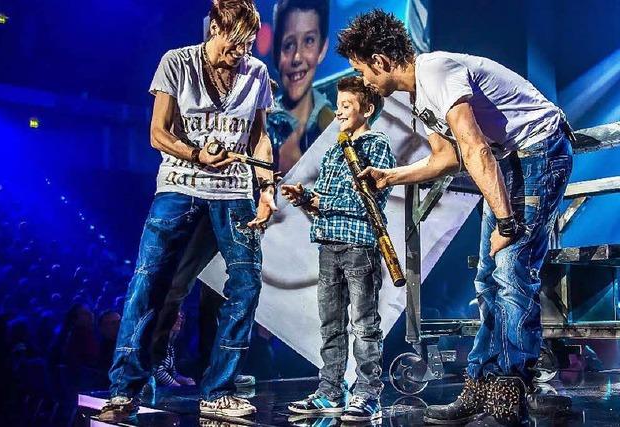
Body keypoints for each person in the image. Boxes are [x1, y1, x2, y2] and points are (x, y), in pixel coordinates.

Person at [336, 10, 573, 426]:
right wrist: (389, 175)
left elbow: (476, 148)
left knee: (511, 268)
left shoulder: (436, 71)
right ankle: (483, 383)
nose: (365, 81)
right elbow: (446, 159)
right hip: (510, 161)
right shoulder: (418, 97)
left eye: (362, 70)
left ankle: (515, 385)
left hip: (541, 149)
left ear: (380, 60)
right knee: (487, 276)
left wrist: (506, 223)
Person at [97, 0, 276, 421]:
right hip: (180, 186)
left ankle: (219, 389)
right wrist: (196, 154)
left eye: (247, 46)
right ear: (214, 27)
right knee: (150, 282)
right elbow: (158, 133)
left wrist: (266, 189)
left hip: (234, 192)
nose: (240, 55)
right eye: (233, 46)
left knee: (246, 285)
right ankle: (125, 388)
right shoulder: (176, 62)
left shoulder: (257, 72)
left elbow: (261, 138)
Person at [281, 76, 395, 422]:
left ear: (367, 110)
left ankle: (367, 392)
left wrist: (321, 200)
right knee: (330, 323)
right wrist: (304, 198)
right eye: (339, 105)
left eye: (347, 106)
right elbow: (325, 203)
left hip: (359, 246)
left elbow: (364, 200)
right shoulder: (333, 149)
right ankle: (330, 390)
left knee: (363, 324)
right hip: (328, 244)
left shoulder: (375, 145)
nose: (340, 112)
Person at [267, 0, 334, 175]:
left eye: (309, 41)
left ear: (323, 48)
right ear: (276, 52)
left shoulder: (335, 125)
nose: (297, 57)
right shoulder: (262, 125)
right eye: (288, 44)